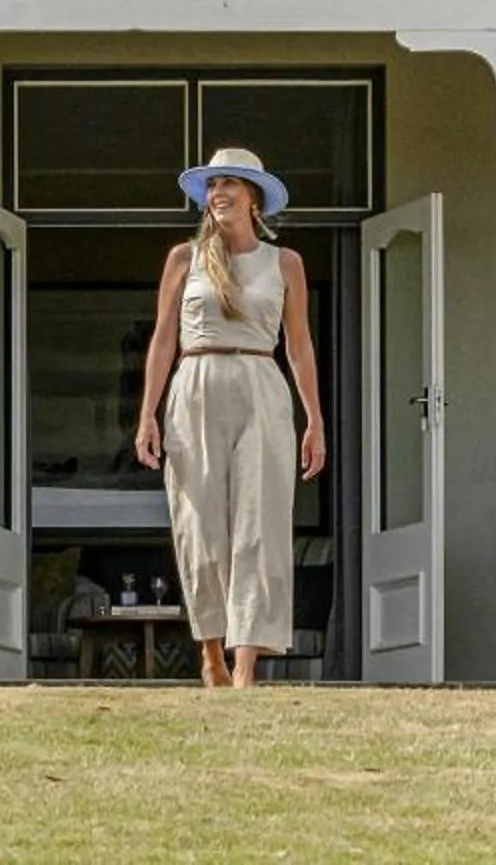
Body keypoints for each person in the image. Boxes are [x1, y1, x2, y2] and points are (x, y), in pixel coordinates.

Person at [132, 146, 326, 687]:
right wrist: (147, 414)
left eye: (230, 184)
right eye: (212, 185)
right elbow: (164, 338)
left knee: (258, 525)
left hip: (261, 386)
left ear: (254, 198)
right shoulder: (183, 259)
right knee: (200, 526)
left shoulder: (284, 263)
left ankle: (245, 664)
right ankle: (210, 650)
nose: (218, 193)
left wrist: (315, 420)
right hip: (194, 385)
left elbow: (300, 346)